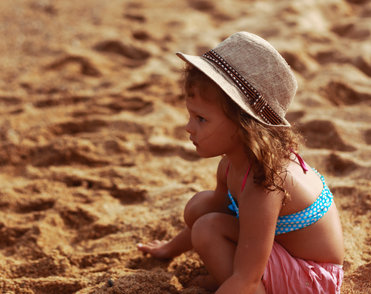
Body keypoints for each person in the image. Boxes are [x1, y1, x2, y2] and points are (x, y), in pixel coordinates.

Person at [137, 32, 344, 293]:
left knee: (208, 229)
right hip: (284, 255)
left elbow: (247, 277)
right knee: (200, 208)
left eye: (201, 119)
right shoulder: (231, 164)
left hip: (311, 278)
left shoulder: (264, 182)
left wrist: (241, 282)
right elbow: (221, 214)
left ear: (245, 125)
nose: (189, 127)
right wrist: (169, 248)